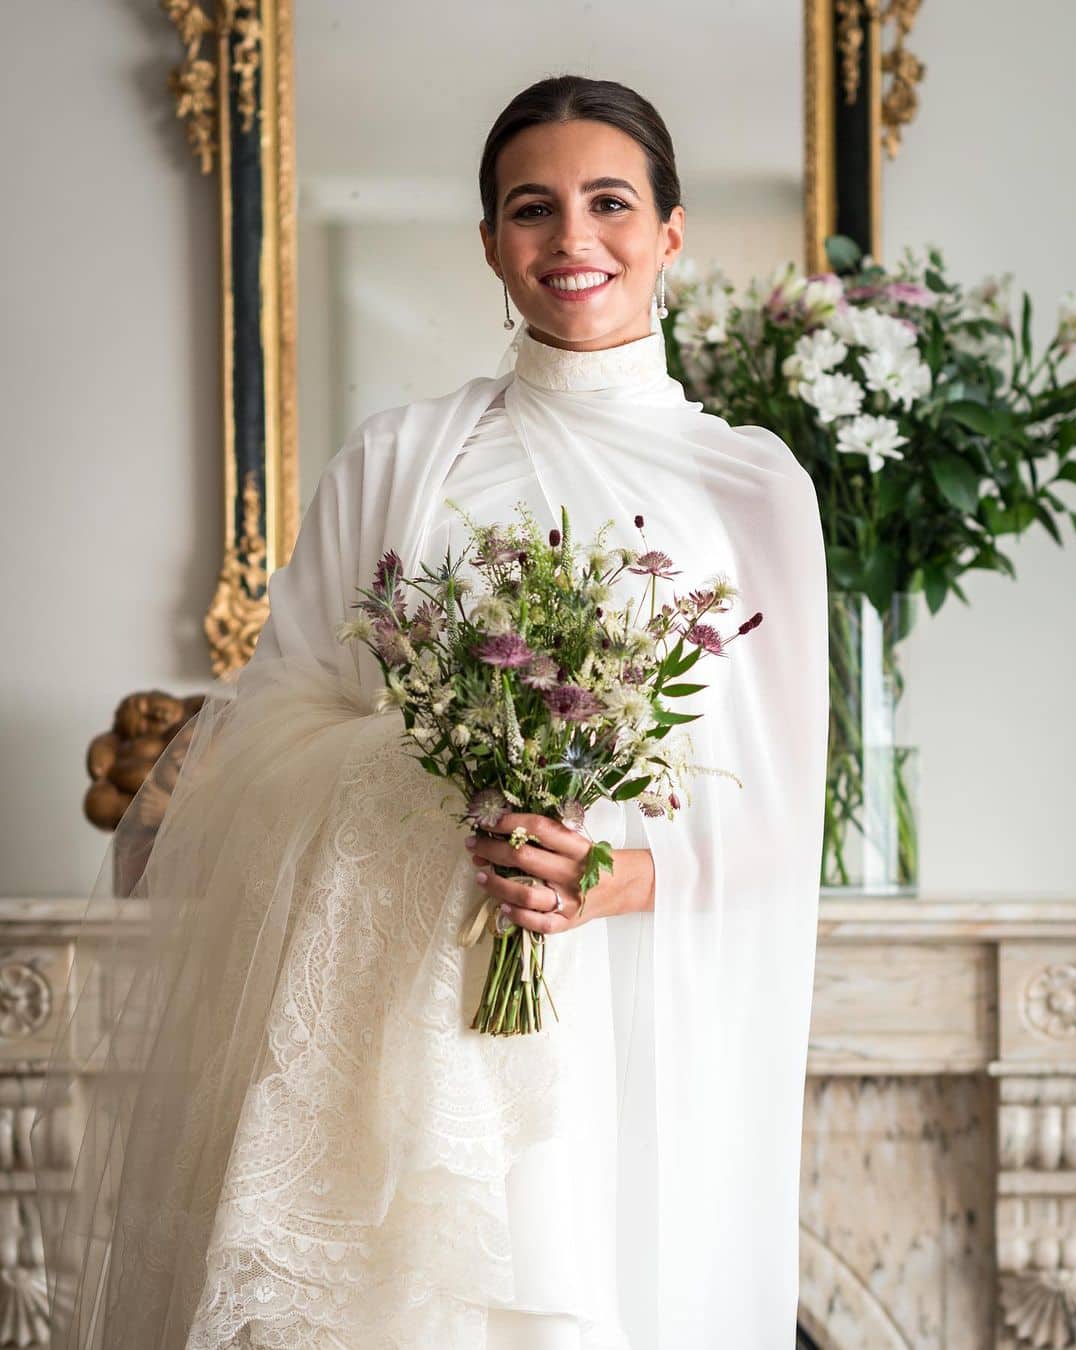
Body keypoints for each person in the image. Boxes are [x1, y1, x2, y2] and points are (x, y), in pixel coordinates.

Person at [30, 74, 829, 1349]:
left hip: (635, 1010)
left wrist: (602, 877)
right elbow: (278, 713)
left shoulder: (752, 488)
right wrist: (430, 782)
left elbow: (789, 819)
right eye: (532, 209)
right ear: (490, 245)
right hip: (407, 1010)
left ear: (670, 234)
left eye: (609, 202)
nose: (573, 239)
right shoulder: (403, 461)